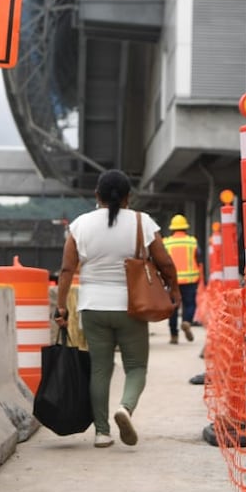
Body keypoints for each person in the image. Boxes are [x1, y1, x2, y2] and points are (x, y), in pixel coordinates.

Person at [54, 169, 179, 448]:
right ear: (128, 197)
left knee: (100, 368)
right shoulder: (142, 222)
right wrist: (175, 289)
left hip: (92, 307)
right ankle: (125, 407)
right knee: (136, 367)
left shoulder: (80, 225)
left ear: (97, 194)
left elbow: (66, 269)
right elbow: (165, 263)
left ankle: (102, 433)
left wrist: (61, 307)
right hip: (131, 305)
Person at [163, 214, 201, 344]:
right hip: (190, 280)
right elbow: (199, 258)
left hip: (172, 281)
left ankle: (174, 336)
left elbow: (162, 261)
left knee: (173, 308)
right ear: (185, 228)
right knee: (190, 304)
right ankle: (187, 321)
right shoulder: (192, 241)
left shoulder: (166, 242)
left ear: (172, 229)